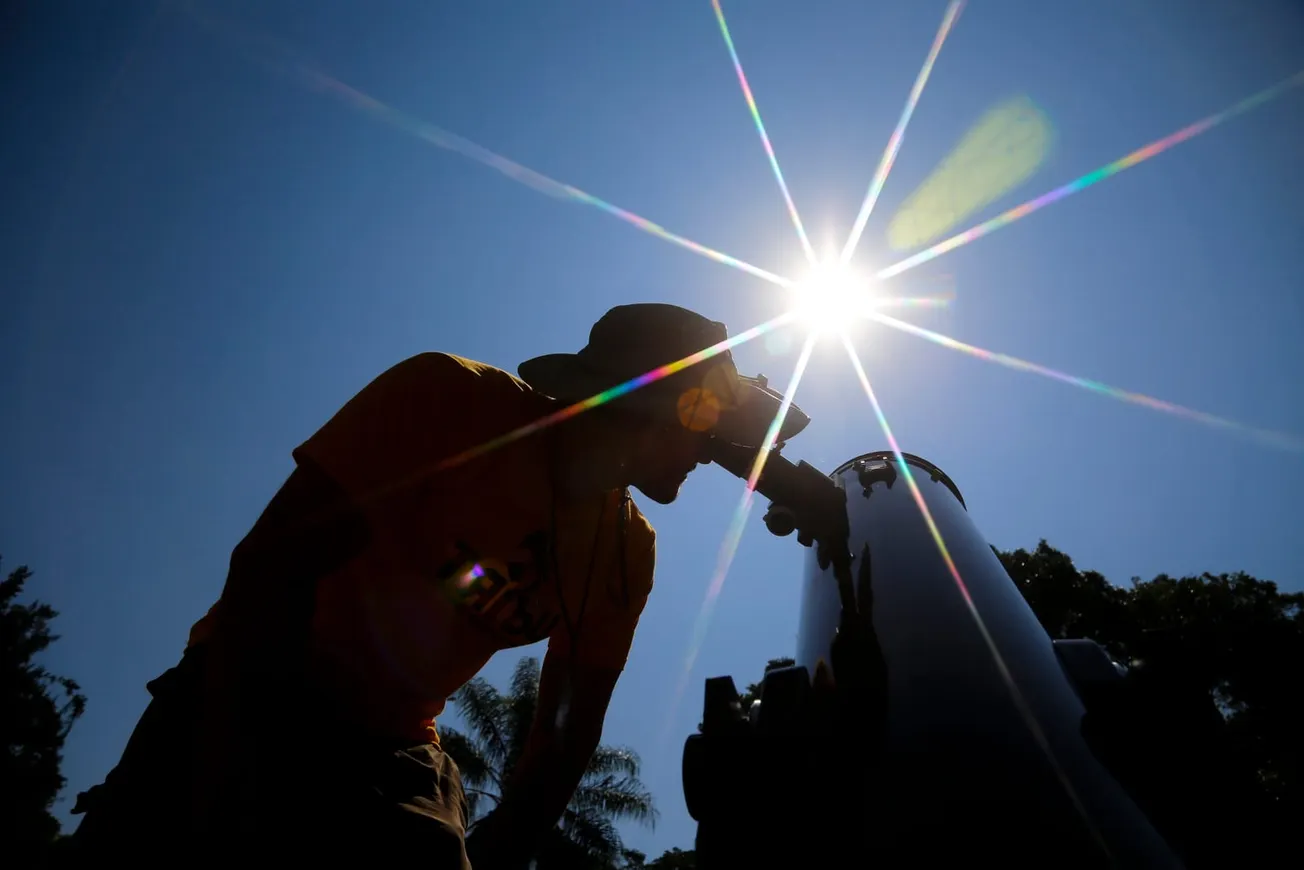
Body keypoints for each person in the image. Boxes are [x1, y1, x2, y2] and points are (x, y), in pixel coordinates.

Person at [68, 302, 807, 866]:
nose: (712, 451)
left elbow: (568, 730)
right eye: (708, 418)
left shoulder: (625, 553)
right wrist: (235, 770)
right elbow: (270, 566)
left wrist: (504, 845)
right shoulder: (453, 401)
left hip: (396, 748)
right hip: (246, 683)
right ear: (646, 403)